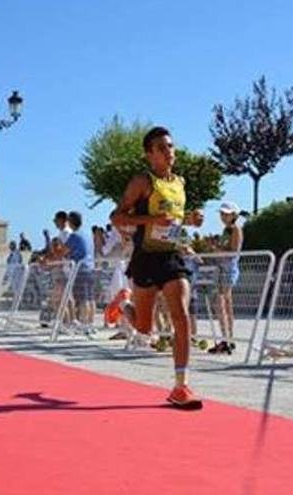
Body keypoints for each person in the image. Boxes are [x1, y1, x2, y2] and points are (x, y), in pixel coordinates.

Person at [110, 126, 205, 409]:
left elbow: (173, 221)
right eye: (162, 148)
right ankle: (125, 305)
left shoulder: (180, 183)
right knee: (144, 327)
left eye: (171, 146)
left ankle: (181, 386)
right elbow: (116, 217)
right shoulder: (142, 182)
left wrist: (190, 220)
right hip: (146, 257)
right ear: (149, 154)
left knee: (181, 315)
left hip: (172, 256)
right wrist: (150, 221)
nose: (169, 152)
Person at [207, 202, 244, 355]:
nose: (223, 216)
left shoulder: (235, 229)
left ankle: (227, 338)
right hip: (222, 269)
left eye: (226, 214)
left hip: (228, 269)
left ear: (234, 215)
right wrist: (214, 246)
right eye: (222, 214)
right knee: (224, 303)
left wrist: (215, 248)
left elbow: (233, 252)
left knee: (222, 303)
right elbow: (224, 250)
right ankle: (227, 338)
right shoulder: (226, 230)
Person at [63, 211, 96, 333]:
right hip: (91, 268)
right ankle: (91, 324)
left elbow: (64, 251)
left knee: (83, 299)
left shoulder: (74, 235)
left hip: (80, 269)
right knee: (91, 298)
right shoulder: (87, 234)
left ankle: (84, 324)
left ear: (70, 222)